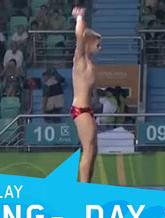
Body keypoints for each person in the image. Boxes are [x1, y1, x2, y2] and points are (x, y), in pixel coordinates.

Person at [71, 7, 102, 183]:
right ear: (89, 42)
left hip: (86, 109)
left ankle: (87, 183)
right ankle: (83, 188)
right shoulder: (80, 60)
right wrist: (80, 17)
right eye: (98, 44)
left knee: (93, 149)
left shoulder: (89, 62)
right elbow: (79, 37)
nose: (101, 47)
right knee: (88, 149)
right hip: (80, 110)